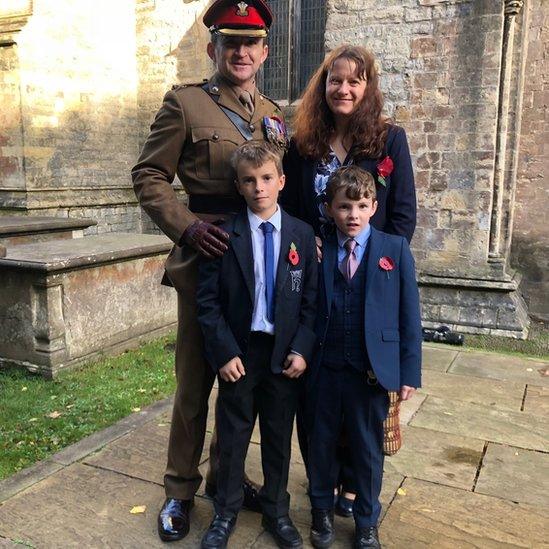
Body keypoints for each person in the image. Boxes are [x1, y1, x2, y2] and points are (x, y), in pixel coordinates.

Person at [131, 0, 288, 541]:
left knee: (241, 382)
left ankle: (226, 478)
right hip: (208, 266)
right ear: (212, 48)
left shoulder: (273, 113)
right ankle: (178, 490)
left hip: (260, 272)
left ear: (264, 51)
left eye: (251, 42)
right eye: (230, 41)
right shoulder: (185, 103)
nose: (240, 51)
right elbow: (150, 175)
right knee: (195, 383)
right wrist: (188, 227)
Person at [280, 44, 417, 515]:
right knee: (319, 383)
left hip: (364, 279)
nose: (344, 89)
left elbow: (401, 218)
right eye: (335, 80)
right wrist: (306, 248)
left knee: (361, 386)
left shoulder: (388, 140)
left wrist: (382, 268)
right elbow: (292, 213)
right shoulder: (303, 144)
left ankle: (357, 481)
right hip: (313, 282)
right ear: (324, 85)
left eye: (354, 81)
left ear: (367, 87)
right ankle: (326, 476)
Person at [196, 141, 318, 549]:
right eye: (249, 181)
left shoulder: (302, 234)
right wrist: (223, 352)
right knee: (232, 436)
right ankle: (225, 513)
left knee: (279, 436)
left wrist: (302, 348)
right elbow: (208, 302)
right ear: (239, 185)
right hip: (241, 354)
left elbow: (312, 304)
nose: (259, 188)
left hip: (284, 356)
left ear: (281, 181)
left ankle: (277, 511)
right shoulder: (223, 235)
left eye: (267, 178)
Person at [306, 165, 421, 549]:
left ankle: (367, 521)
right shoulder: (318, 247)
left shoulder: (394, 248)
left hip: (371, 370)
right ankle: (321, 510)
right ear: (329, 209)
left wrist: (409, 372)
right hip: (324, 366)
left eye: (360, 205)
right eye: (343, 207)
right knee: (320, 443)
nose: (352, 215)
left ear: (373, 206)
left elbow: (409, 314)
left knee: (368, 449)